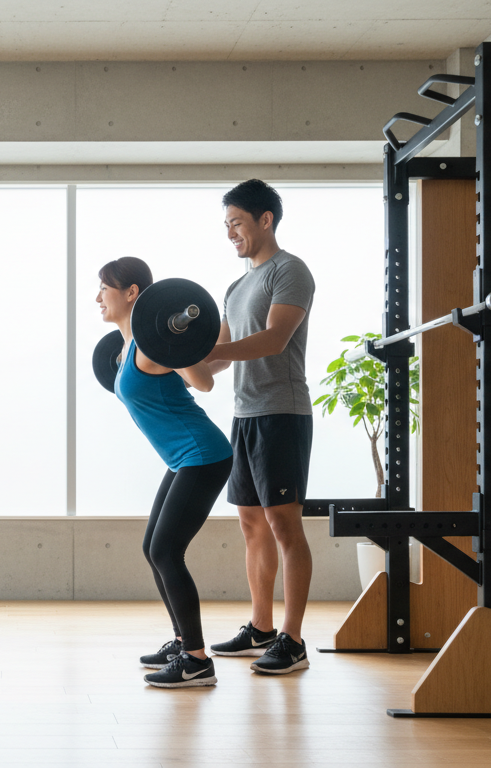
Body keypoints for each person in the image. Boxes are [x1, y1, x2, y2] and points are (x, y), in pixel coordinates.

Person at [96, 256, 234, 689]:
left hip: (203, 455)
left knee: (165, 551)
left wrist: (181, 343)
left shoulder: (155, 344)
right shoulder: (126, 349)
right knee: (152, 547)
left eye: (105, 287)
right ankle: (182, 642)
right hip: (182, 459)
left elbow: (204, 383)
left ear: (132, 292)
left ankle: (196, 661)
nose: (97, 296)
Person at [203, 180, 316, 675]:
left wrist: (209, 352)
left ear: (265, 219)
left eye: (236, 222)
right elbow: (217, 364)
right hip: (245, 415)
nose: (230, 233)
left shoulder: (289, 271)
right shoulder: (234, 287)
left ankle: (292, 640)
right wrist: (174, 358)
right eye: (226, 225)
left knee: (284, 525)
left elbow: (272, 340)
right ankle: (262, 627)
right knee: (251, 524)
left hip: (282, 413)